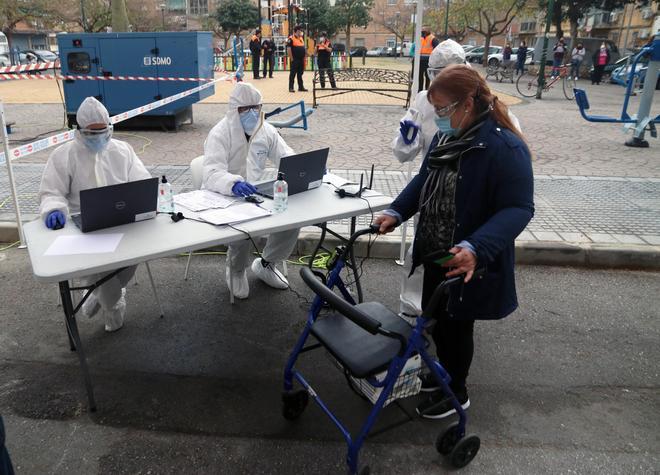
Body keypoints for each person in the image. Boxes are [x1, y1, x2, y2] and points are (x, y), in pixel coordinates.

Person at [377, 65, 534, 419]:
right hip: (436, 249)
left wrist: (477, 247)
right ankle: (441, 375)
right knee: (438, 321)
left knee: (457, 326)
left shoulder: (504, 147)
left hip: (466, 257)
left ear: (469, 103)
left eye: (444, 110)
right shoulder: (448, 137)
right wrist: (397, 211)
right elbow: (423, 178)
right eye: (436, 111)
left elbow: (519, 208)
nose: (440, 118)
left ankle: (456, 391)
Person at [38, 97, 151, 332]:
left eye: (103, 131)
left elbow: (142, 181)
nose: (98, 138)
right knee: (104, 268)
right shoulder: (63, 156)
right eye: (91, 133)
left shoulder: (123, 151)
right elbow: (52, 191)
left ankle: (97, 293)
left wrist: (145, 200)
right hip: (83, 226)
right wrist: (53, 210)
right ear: (79, 131)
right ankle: (112, 304)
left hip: (122, 220)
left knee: (135, 255)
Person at [202, 83, 299, 299]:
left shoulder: (266, 130)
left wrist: (305, 166)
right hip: (223, 196)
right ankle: (236, 270)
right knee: (242, 229)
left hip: (255, 193)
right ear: (234, 110)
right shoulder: (219, 133)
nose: (253, 113)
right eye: (246, 108)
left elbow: (286, 156)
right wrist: (232, 184)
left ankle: (267, 263)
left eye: (257, 107)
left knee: (292, 219)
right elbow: (210, 173)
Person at [417, 26, 440, 91]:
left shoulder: (433, 39)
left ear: (428, 30)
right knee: (420, 75)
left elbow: (437, 49)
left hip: (428, 60)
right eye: (422, 30)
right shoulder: (420, 38)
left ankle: (427, 89)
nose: (422, 31)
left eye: (424, 30)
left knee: (428, 76)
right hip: (420, 60)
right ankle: (420, 89)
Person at [287, 25, 307, 93]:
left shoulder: (301, 38)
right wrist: (292, 59)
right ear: (296, 31)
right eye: (299, 31)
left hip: (301, 59)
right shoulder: (291, 38)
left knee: (300, 74)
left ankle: (301, 87)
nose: (301, 32)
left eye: (301, 31)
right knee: (293, 74)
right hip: (295, 59)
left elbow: (303, 48)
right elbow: (289, 49)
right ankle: (291, 87)